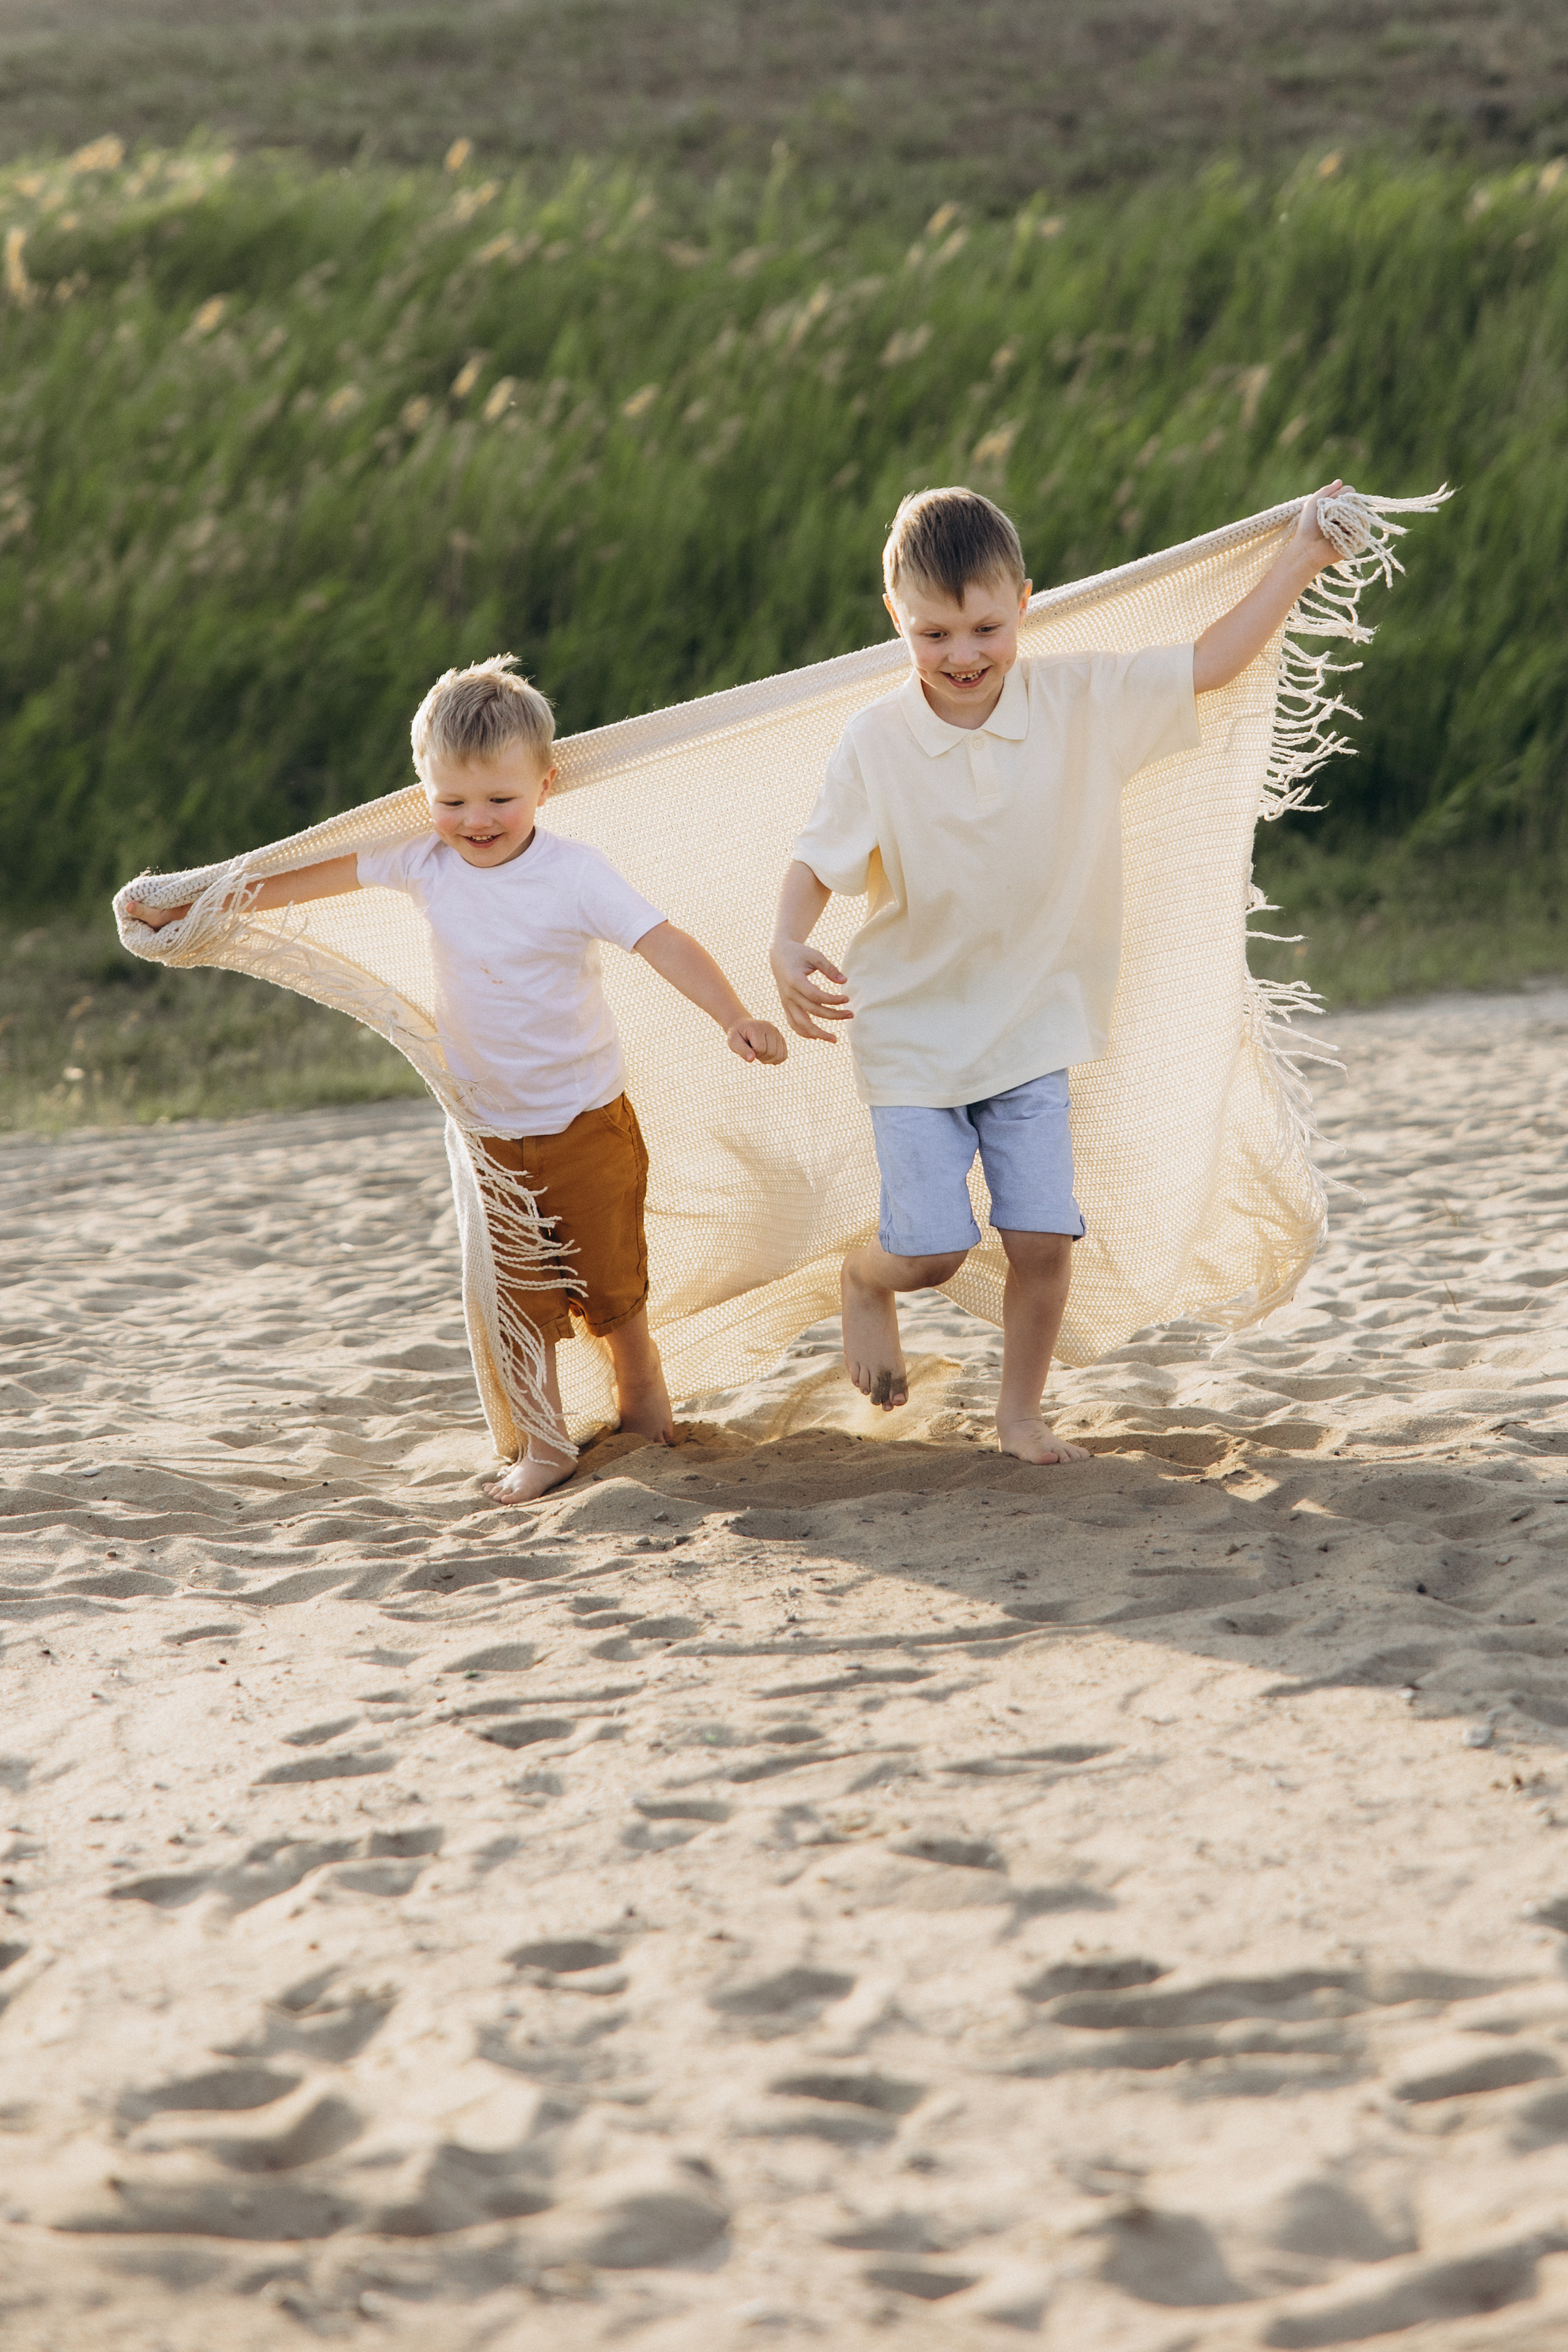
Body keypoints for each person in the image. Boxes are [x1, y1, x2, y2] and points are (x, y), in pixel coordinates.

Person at [769, 480, 1346, 1465]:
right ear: (895, 618)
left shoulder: (1081, 702)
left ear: (1025, 605)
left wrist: (1301, 556)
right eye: (933, 634)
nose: (963, 655)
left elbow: (1209, 663)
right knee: (933, 1249)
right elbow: (817, 861)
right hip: (912, 1036)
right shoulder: (876, 740)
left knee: (1041, 1239)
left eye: (986, 629)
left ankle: (1020, 1413)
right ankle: (868, 1280)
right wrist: (787, 942)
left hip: (1032, 1028)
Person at [127, 655, 787, 1502]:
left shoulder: (573, 873)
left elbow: (662, 941)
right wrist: (196, 905)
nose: (476, 821)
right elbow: (302, 881)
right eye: (452, 802)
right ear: (422, 792)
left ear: (545, 785)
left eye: (500, 800)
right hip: (489, 1134)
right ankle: (546, 1441)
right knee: (517, 1297)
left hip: (587, 1120)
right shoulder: (421, 862)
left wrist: (732, 1015)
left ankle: (641, 1386)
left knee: (611, 1282)